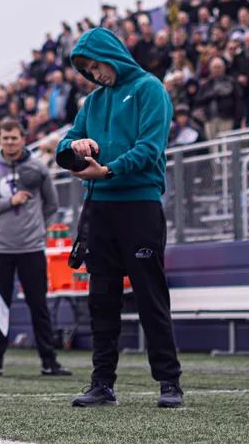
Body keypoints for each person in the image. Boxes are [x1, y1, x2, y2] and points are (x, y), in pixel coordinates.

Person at [56, 26, 182, 410]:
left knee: (149, 295)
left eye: (98, 66)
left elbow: (149, 148)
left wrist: (107, 171)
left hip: (139, 205)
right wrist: (74, 145)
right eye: (89, 70)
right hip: (100, 210)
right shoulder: (92, 103)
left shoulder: (150, 89)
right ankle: (102, 384)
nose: (96, 75)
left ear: (114, 55)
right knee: (102, 299)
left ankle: (169, 381)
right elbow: (64, 144)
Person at [0, 118, 69, 379]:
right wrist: (8, 202)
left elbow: (51, 205)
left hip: (31, 248)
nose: (9, 142)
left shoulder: (37, 167)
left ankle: (49, 361)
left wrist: (35, 228)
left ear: (23, 139)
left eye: (14, 137)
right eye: (5, 138)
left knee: (39, 305)